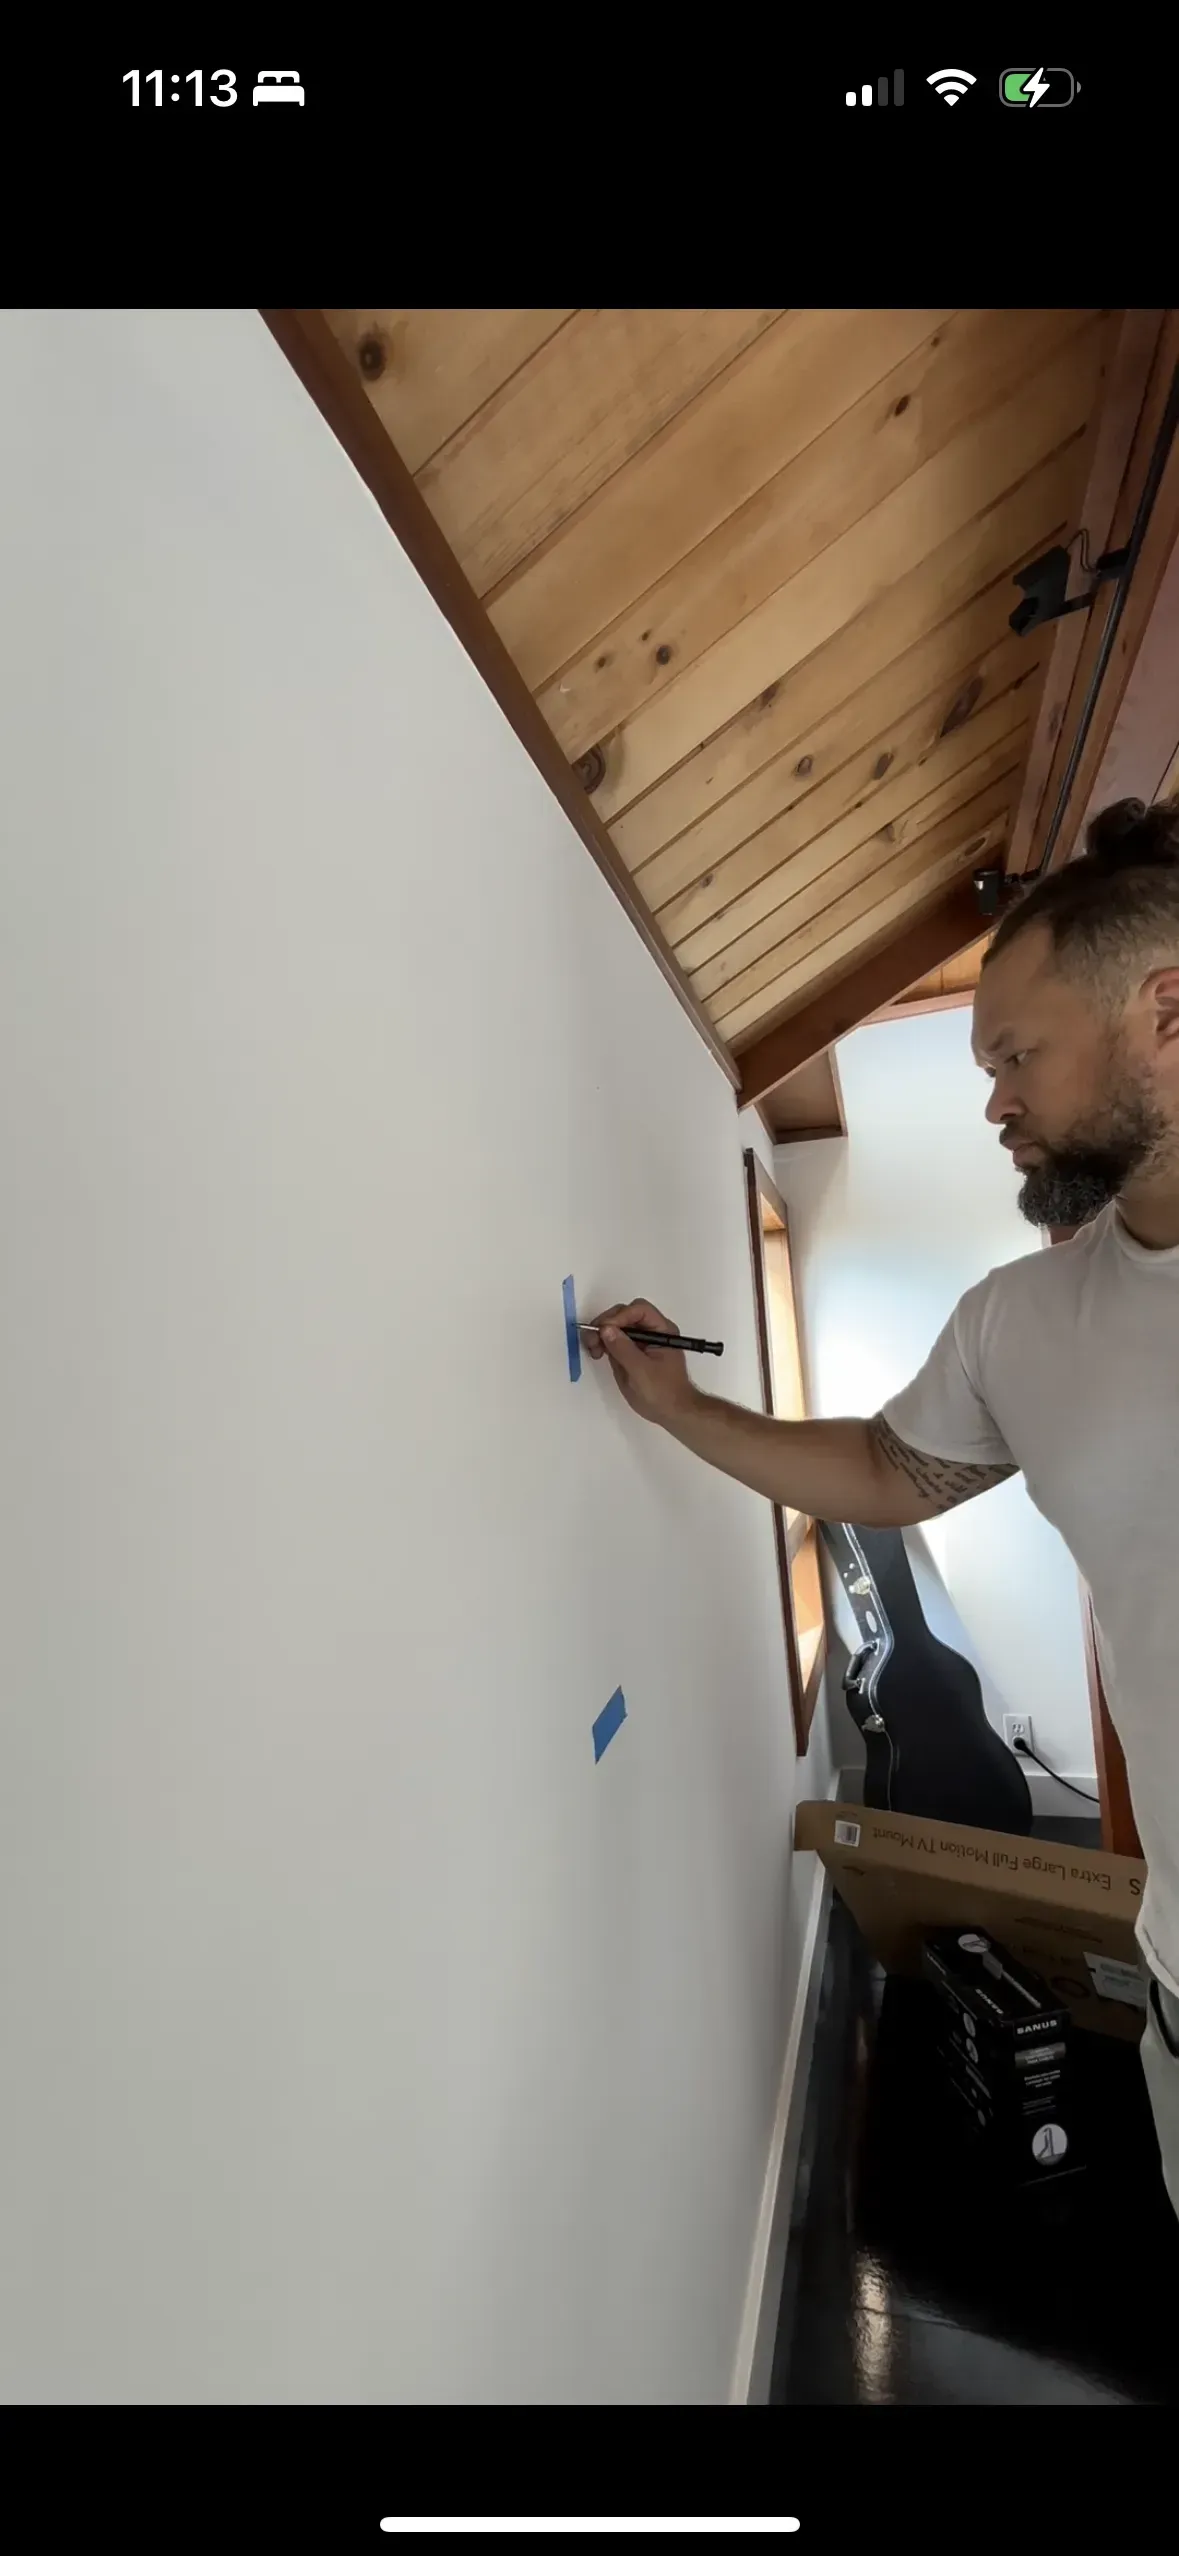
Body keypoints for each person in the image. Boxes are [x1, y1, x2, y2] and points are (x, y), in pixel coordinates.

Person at [587, 794, 1179, 2219]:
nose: (994, 1102)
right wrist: (681, 1412)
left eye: (1015, 1055)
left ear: (1166, 1010)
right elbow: (887, 1476)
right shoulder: (1020, 1322)